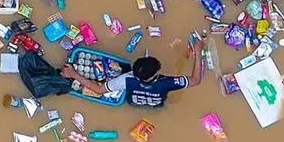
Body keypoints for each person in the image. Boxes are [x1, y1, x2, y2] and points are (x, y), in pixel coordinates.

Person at [61, 41, 203, 108]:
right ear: (153, 76)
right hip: (156, 103)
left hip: (133, 101)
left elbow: (99, 89)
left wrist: (74, 74)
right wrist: (198, 52)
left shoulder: (126, 79)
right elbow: (196, 80)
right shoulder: (166, 82)